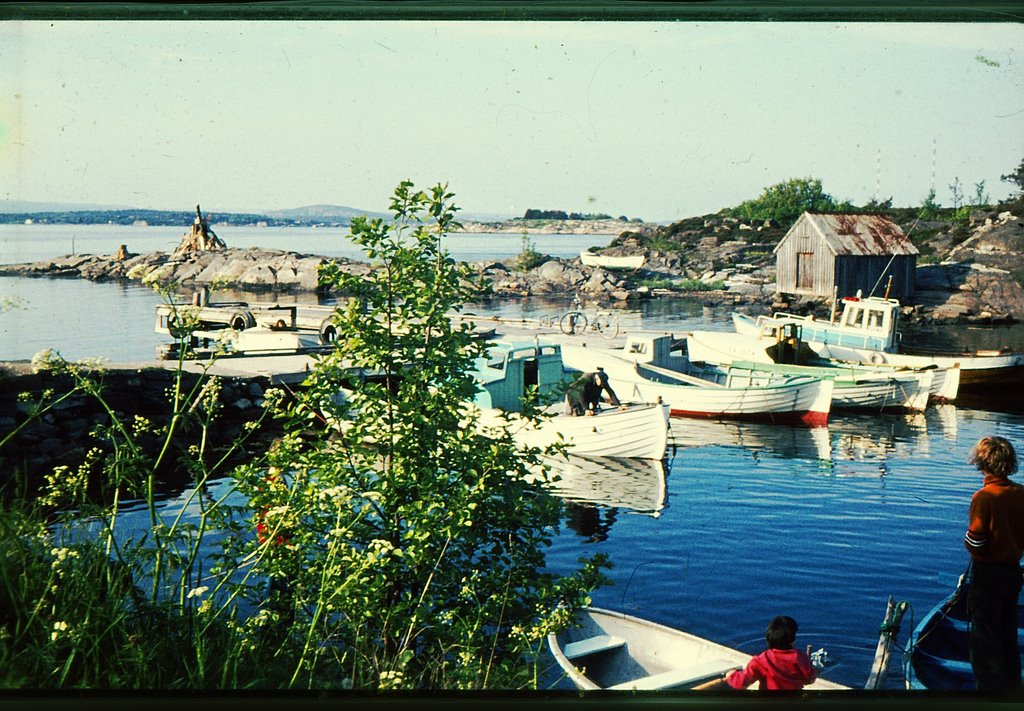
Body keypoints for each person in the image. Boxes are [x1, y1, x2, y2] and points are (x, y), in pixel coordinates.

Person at [963, 435, 1024, 692]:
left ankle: (989, 692)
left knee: (985, 639)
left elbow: (976, 542)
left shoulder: (984, 497)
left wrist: (968, 542)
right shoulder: (1020, 492)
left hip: (988, 573)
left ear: (982, 463)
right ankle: (1012, 687)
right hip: (1012, 571)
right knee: (1006, 630)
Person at [724, 615, 817, 690]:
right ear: (793, 639)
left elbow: (740, 683)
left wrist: (731, 675)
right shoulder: (801, 657)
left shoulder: (760, 660)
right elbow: (809, 680)